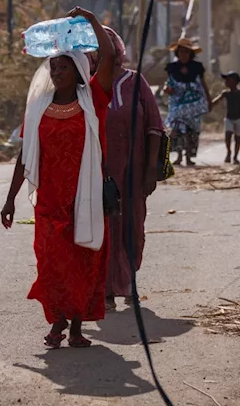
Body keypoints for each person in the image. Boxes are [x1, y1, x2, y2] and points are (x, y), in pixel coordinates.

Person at [1, 7, 116, 349]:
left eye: (64, 66)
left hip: (86, 197)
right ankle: (58, 323)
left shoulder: (94, 100)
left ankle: (77, 326)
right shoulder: (38, 108)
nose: (57, 71)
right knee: (51, 262)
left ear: (78, 70)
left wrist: (92, 19)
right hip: (50, 201)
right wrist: (10, 199)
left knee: (83, 260)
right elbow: (26, 155)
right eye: (53, 66)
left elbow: (108, 54)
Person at [89, 27, 165, 309]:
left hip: (134, 170)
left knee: (133, 226)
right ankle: (107, 290)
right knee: (106, 228)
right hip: (100, 172)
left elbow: (155, 127)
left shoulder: (136, 82)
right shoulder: (87, 86)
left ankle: (129, 281)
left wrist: (149, 171)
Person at [163, 38, 211, 166]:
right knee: (177, 130)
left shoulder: (197, 67)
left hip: (195, 104)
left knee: (192, 131)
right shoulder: (172, 67)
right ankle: (178, 156)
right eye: (181, 51)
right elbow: (168, 83)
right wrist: (166, 89)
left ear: (191, 53)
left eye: (186, 52)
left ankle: (189, 156)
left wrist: (209, 100)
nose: (184, 54)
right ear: (178, 53)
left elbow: (203, 84)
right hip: (177, 104)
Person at [213, 71, 240, 165]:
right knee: (228, 135)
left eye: (228, 80)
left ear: (235, 81)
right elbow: (216, 101)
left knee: (237, 138)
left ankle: (235, 156)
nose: (226, 82)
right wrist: (208, 105)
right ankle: (228, 152)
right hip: (229, 118)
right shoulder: (225, 93)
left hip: (239, 118)